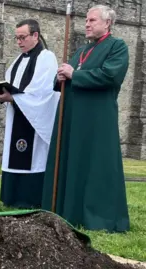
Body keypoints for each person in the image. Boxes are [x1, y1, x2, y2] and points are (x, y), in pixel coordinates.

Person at [42, 5, 130, 232]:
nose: (87, 24)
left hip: (97, 120)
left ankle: (99, 217)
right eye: (86, 20)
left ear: (107, 23)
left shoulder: (117, 47)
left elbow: (110, 75)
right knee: (72, 162)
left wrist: (74, 74)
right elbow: (66, 78)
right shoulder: (81, 50)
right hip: (73, 118)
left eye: (92, 20)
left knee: (95, 166)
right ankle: (69, 211)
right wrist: (60, 76)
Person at [0, 19, 59, 209]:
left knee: (33, 156)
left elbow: (44, 92)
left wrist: (15, 98)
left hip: (34, 120)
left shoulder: (46, 58)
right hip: (17, 116)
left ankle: (30, 199)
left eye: (22, 37)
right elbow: (12, 86)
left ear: (35, 35)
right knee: (14, 154)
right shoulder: (18, 61)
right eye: (17, 38)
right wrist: (2, 95)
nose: (19, 42)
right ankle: (12, 198)